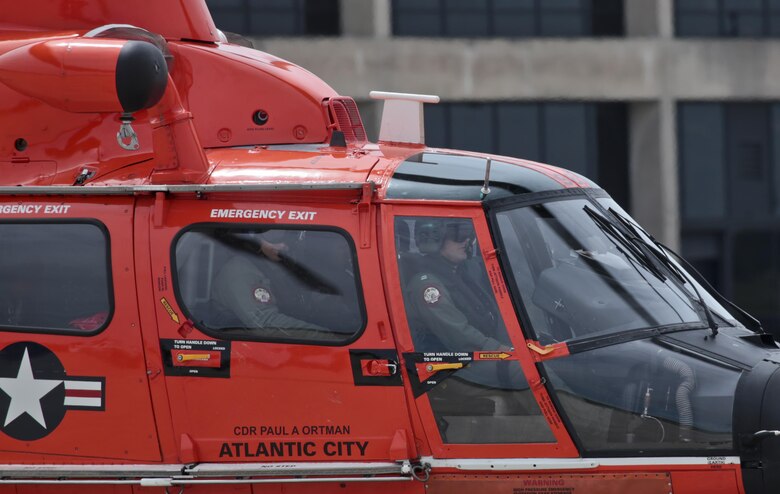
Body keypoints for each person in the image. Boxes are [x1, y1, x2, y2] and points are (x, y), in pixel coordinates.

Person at [404, 218, 511, 352]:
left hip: (483, 347)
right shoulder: (427, 285)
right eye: (458, 236)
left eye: (469, 235)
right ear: (436, 240)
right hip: (456, 363)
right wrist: (499, 349)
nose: (466, 241)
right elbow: (458, 334)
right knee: (520, 371)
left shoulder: (463, 272)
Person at [211, 229, 335, 340]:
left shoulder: (278, 265)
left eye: (287, 238)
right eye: (274, 239)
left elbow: (300, 297)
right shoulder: (239, 271)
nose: (283, 245)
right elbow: (265, 324)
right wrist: (324, 336)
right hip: (249, 353)